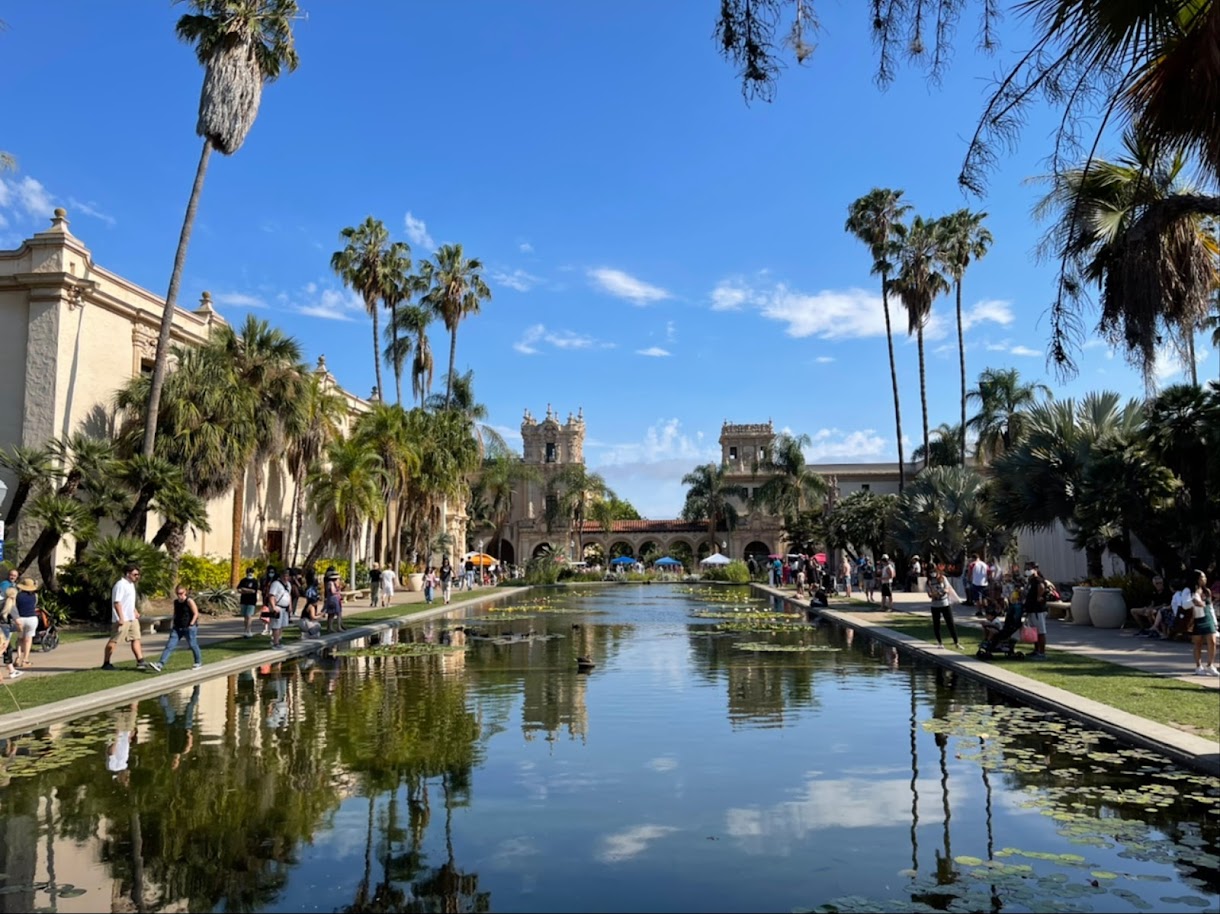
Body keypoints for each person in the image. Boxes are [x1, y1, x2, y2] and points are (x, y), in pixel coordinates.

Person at [101, 564, 148, 671]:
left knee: (136, 638)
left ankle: (140, 661)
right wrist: (121, 618)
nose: (137, 577)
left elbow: (129, 601)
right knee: (114, 640)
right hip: (122, 619)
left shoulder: (131, 585)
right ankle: (106, 663)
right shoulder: (120, 585)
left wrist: (135, 611)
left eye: (138, 575)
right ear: (128, 574)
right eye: (135, 574)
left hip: (132, 618)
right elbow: (117, 603)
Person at [148, 585, 202, 672]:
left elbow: (196, 613)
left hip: (189, 628)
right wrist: (174, 623)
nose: (180, 595)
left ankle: (198, 662)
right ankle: (160, 664)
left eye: (181, 593)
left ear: (185, 592)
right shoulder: (176, 602)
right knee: (169, 646)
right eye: (178, 593)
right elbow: (175, 613)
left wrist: (191, 624)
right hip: (177, 628)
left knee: (193, 645)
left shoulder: (189, 601)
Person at [1185, 569, 1219, 676]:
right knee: (1198, 644)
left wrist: (1214, 621)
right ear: (1196, 579)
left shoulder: (1207, 591)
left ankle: (1210, 665)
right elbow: (1184, 605)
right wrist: (1193, 601)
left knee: (1212, 642)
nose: (1204, 579)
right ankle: (1198, 666)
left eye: (1204, 577)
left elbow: (1211, 607)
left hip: (1208, 617)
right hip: (1196, 619)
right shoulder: (1188, 591)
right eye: (1202, 577)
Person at [925, 563, 961, 649]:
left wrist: (943, 592)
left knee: (950, 623)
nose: (932, 573)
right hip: (935, 605)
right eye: (930, 572)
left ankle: (956, 642)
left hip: (945, 604)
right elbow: (930, 594)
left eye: (933, 571)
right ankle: (940, 642)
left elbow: (948, 589)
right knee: (936, 625)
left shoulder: (943, 578)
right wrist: (935, 594)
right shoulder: (928, 582)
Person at [11, 577, 40, 670]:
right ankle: (25, 660)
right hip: (31, 618)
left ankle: (18, 657)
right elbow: (35, 605)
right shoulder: (34, 596)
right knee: (28, 639)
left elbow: (14, 606)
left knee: (20, 638)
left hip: (20, 618)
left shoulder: (18, 596)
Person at [1023, 562, 1049, 660]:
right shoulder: (1031, 580)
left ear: (1035, 569)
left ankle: (1042, 652)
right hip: (1031, 609)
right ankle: (1036, 650)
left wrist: (1039, 596)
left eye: (1029, 568)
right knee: (1034, 631)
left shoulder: (1038, 580)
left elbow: (1042, 587)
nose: (1027, 570)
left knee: (1041, 631)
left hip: (1038, 609)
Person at [266, 567, 290, 649]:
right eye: (284, 576)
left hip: (285, 608)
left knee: (282, 625)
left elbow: (289, 595)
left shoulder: (288, 585)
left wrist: (290, 606)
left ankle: (278, 640)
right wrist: (273, 607)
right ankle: (275, 642)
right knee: (276, 625)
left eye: (287, 576)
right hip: (278, 607)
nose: (286, 577)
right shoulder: (276, 584)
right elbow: (271, 596)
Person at [237, 566, 260, 638]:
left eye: (251, 572)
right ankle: (245, 630)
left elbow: (253, 591)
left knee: (249, 615)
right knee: (245, 616)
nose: (250, 574)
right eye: (248, 572)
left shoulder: (254, 581)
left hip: (251, 601)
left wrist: (244, 589)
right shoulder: (243, 580)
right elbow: (239, 589)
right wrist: (246, 590)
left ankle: (249, 630)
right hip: (244, 600)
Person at [323, 566, 344, 633]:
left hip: (334, 599)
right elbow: (332, 591)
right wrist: (338, 592)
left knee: (333, 614)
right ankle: (335, 627)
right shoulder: (330, 583)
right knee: (334, 613)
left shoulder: (330, 582)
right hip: (333, 599)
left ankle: (332, 627)